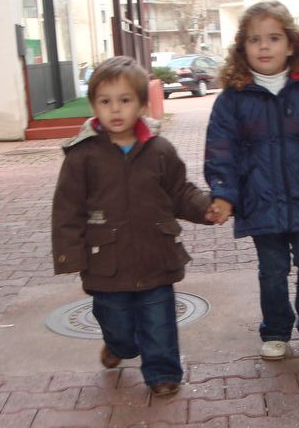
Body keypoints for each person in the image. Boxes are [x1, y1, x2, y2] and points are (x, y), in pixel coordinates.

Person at [52, 56, 219, 396]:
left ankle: (163, 374)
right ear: (94, 106)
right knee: (116, 322)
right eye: (105, 101)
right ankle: (118, 346)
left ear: (142, 105)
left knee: (159, 322)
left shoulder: (159, 150)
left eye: (125, 100)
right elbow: (67, 210)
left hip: (156, 256)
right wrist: (72, 257)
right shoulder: (82, 156)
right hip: (106, 262)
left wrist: (206, 208)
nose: (115, 109)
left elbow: (179, 191)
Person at [204, 0, 299, 361]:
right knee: (272, 269)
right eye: (254, 39)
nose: (264, 46)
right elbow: (220, 150)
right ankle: (275, 329)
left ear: (291, 45)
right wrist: (224, 193)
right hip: (259, 199)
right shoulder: (232, 99)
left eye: (273, 38)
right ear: (242, 47)